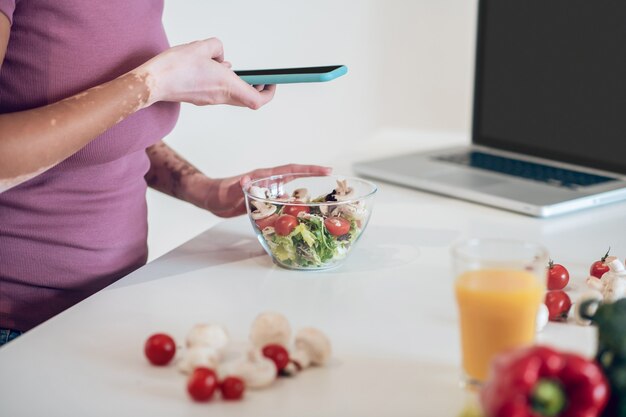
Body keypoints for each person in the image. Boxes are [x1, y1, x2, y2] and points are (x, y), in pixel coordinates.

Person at [0, 1, 330, 345]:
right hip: (20, 328)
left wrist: (200, 188)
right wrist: (153, 82)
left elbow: (109, 134)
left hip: (115, 301)